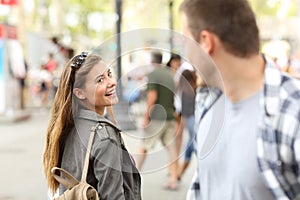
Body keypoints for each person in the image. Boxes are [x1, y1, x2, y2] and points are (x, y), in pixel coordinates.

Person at [180, 0, 300, 199]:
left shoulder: (292, 110)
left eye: (185, 42)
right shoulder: (206, 103)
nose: (185, 54)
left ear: (205, 42)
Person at [43, 52, 141, 199]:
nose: (112, 82)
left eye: (109, 74)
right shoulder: (104, 137)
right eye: (100, 80)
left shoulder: (69, 125)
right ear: (80, 93)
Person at [136, 51, 179, 190]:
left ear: (151, 61)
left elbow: (152, 97)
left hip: (158, 118)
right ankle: (173, 179)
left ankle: (133, 176)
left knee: (144, 146)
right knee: (171, 147)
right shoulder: (170, 74)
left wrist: (146, 117)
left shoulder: (153, 74)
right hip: (170, 116)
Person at [177, 69, 197, 180]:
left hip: (189, 119)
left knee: (191, 143)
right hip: (196, 119)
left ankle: (180, 172)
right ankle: (180, 172)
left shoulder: (185, 91)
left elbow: (183, 110)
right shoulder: (196, 89)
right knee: (192, 143)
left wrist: (181, 125)